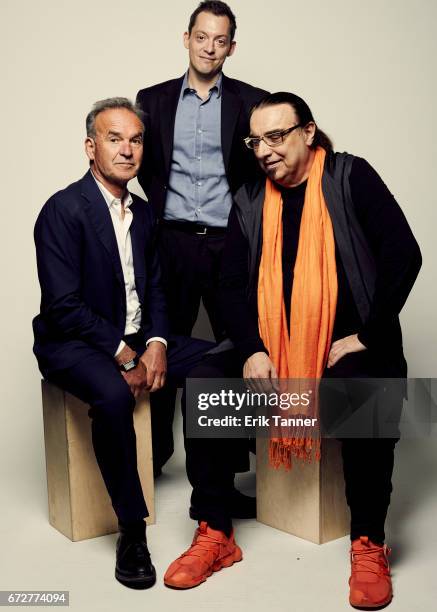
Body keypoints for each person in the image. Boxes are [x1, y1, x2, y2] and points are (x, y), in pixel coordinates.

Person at [163, 92, 422, 610]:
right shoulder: (251, 199)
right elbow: (232, 284)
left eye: (276, 136)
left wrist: (366, 334)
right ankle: (216, 532)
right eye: (255, 140)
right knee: (207, 383)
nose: (263, 150)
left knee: (367, 387)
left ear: (308, 132)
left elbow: (404, 254)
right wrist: (254, 350)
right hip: (274, 346)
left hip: (349, 343)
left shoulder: (350, 177)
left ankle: (368, 542)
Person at [33, 98, 212, 590]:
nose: (128, 149)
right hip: (73, 343)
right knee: (113, 396)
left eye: (135, 140)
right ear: (91, 148)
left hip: (134, 337)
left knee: (221, 360)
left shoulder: (145, 214)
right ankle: (132, 530)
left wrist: (155, 342)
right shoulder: (63, 210)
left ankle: (214, 503)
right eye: (115, 139)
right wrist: (126, 354)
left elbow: (155, 287)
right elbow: (63, 305)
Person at [135, 0, 267, 487]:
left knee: (234, 348)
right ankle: (155, 455)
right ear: (186, 38)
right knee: (161, 341)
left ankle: (224, 473)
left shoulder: (251, 101)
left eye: (220, 39)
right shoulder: (152, 99)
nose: (210, 47)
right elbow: (144, 164)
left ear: (232, 46)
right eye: (202, 36)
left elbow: (261, 170)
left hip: (229, 243)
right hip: (170, 242)